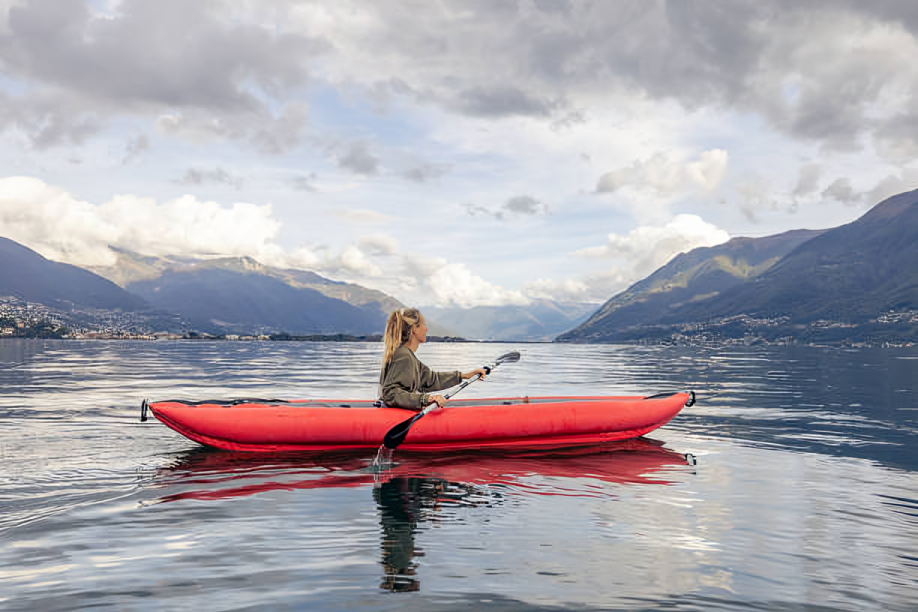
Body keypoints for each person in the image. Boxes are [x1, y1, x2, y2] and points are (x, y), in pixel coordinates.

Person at [379, 307, 487, 411]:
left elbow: (431, 380)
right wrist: (426, 399)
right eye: (424, 325)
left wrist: (465, 375)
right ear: (414, 329)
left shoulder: (405, 354)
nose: (426, 329)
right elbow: (390, 393)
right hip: (392, 416)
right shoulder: (404, 356)